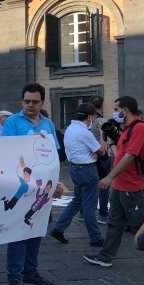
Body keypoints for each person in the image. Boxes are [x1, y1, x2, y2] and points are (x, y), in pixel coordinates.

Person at [1, 82, 64, 285]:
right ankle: (13, 278)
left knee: (36, 229)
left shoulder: (47, 124)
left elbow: (54, 158)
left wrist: (57, 183)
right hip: (21, 184)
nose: (30, 105)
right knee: (18, 232)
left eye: (34, 102)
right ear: (22, 102)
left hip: (42, 189)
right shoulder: (12, 122)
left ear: (42, 102)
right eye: (27, 101)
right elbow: (5, 153)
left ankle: (30, 272)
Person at [84, 96, 144, 268]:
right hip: (120, 185)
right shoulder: (127, 129)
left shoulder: (140, 128)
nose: (115, 112)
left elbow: (130, 156)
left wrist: (109, 177)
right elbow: (120, 152)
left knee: (143, 224)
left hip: (132, 185)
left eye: (116, 108)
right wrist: (111, 140)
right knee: (114, 223)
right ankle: (105, 256)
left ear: (125, 110)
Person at [49, 103, 106, 247]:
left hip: (75, 169)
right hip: (87, 170)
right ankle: (95, 237)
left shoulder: (70, 128)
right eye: (93, 116)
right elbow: (102, 151)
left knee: (77, 201)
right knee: (89, 206)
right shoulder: (84, 132)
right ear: (89, 116)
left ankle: (58, 228)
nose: (94, 118)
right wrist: (103, 135)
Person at [89, 95, 111, 224]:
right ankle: (103, 214)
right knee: (104, 185)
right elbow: (106, 135)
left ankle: (83, 213)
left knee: (89, 186)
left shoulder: (87, 120)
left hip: (90, 156)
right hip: (102, 156)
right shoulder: (101, 120)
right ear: (101, 106)